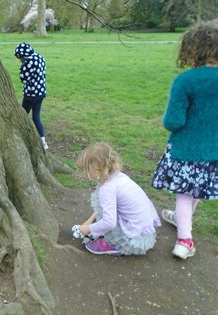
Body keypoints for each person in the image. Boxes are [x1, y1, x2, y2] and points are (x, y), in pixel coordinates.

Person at [151, 20, 218, 260]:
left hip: (185, 149)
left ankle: (184, 239)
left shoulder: (186, 81)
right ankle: (182, 224)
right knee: (195, 189)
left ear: (193, 49)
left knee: (183, 193)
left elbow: (173, 121)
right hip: (214, 151)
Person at [72, 142, 161, 256]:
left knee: (102, 208)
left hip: (132, 240)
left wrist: (87, 229)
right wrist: (91, 220)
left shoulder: (107, 189)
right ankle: (108, 235)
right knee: (103, 206)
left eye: (86, 169)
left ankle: (114, 245)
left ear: (98, 168)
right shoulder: (119, 177)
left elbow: (109, 223)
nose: (84, 173)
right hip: (143, 230)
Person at [14, 42, 48, 150]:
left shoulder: (28, 62)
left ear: (23, 55)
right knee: (36, 117)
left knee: (22, 115)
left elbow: (23, 78)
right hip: (41, 93)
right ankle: (43, 141)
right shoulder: (40, 57)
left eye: (20, 58)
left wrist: (22, 68)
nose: (20, 60)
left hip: (31, 94)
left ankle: (18, 136)